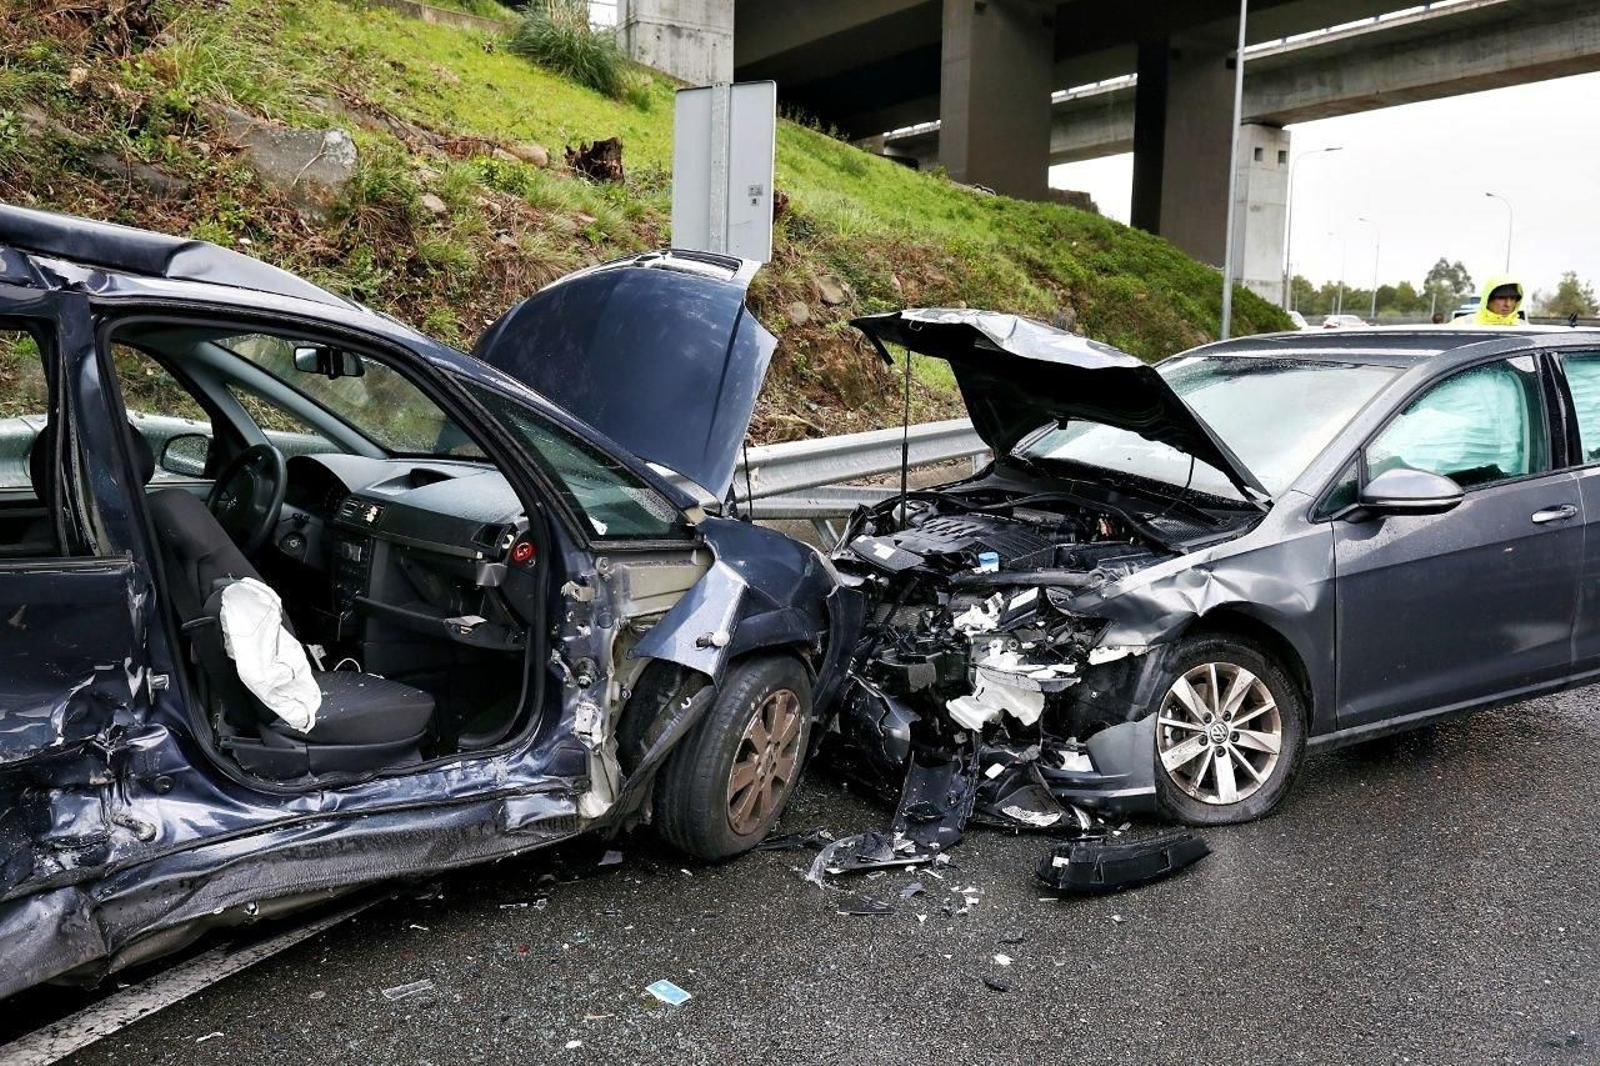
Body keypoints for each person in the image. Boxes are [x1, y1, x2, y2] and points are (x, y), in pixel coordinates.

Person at [1461, 274, 1527, 327]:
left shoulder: (1525, 328)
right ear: (1487, 300)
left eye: (1512, 298)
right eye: (1502, 298)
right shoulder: (1461, 325)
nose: (1508, 304)